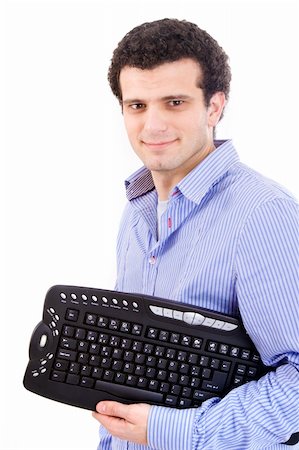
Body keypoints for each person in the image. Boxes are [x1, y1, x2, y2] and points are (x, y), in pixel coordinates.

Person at [92, 18, 299, 449]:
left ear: (215, 106)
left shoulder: (264, 214)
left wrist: (172, 432)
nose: (153, 126)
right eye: (137, 106)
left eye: (174, 102)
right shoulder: (135, 211)